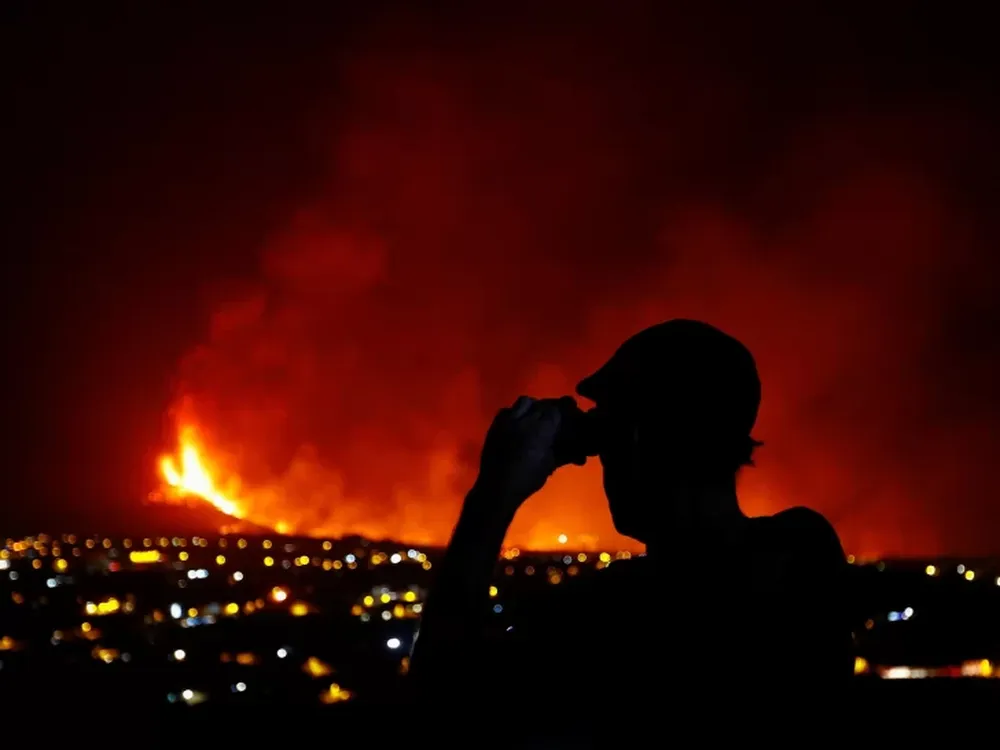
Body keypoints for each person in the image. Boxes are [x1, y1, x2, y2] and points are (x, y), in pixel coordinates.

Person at [409, 320, 853, 735]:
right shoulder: (805, 549)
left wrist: (494, 493)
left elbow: (443, 692)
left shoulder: (601, 615)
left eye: (608, 444)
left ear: (636, 441)